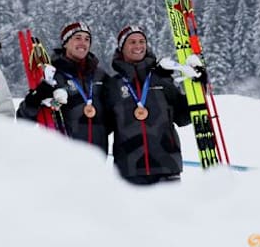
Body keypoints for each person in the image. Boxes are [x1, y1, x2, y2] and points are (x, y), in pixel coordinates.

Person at [105, 25, 191, 185]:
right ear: (121, 48)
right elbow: (103, 125)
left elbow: (183, 117)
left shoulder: (162, 79)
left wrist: (197, 89)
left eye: (141, 41)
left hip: (167, 168)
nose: (138, 46)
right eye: (132, 42)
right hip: (129, 171)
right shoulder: (113, 85)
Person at [16, 22, 111, 153]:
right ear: (65, 43)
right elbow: (23, 120)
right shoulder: (51, 74)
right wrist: (35, 99)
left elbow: (114, 116)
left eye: (87, 39)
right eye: (77, 38)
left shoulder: (100, 76)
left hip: (97, 158)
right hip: (62, 157)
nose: (83, 43)